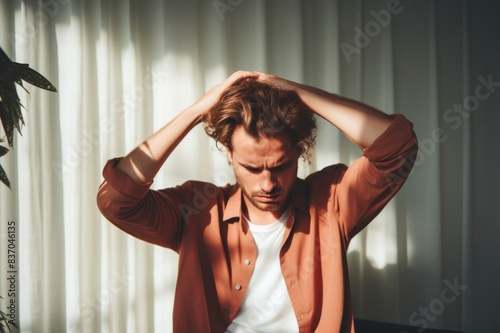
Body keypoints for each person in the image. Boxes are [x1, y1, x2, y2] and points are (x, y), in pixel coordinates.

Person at [97, 71, 418, 333]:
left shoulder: (331, 202)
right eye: (252, 168)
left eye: (281, 166)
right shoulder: (197, 211)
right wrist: (196, 111)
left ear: (299, 152)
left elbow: (397, 147)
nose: (268, 184)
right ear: (229, 153)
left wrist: (295, 92)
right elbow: (117, 201)